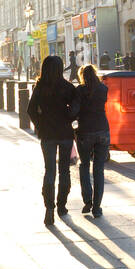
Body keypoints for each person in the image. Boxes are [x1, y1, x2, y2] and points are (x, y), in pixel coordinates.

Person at [28, 55, 80, 225]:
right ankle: (62, 206)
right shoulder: (67, 87)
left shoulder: (40, 87)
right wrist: (68, 117)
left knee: (49, 170)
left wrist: (39, 124)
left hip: (47, 134)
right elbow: (75, 109)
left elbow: (30, 110)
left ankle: (49, 207)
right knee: (64, 171)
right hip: (65, 133)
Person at [74, 64, 110, 218]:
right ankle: (97, 207)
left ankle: (87, 200)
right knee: (99, 169)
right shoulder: (103, 89)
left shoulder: (80, 90)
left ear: (82, 76)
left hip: (85, 132)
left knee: (84, 165)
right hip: (102, 130)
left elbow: (75, 110)